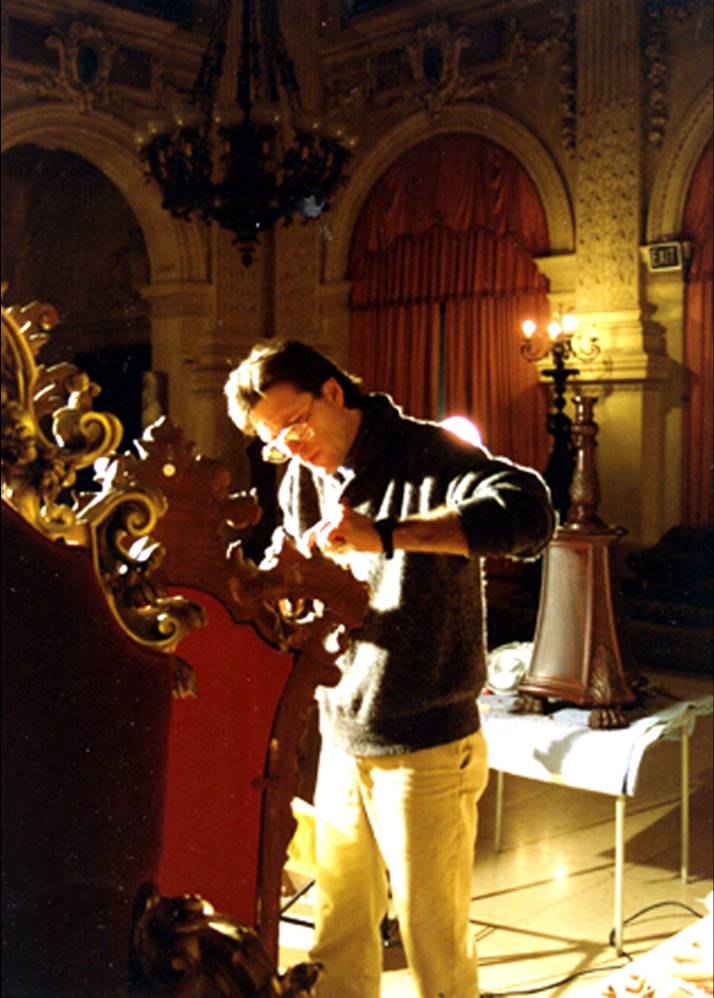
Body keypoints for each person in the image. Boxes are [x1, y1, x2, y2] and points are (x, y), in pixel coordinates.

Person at [224, 340, 555, 998]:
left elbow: (529, 515)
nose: (290, 447)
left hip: (425, 741)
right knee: (339, 933)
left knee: (434, 944)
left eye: (295, 424)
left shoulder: (428, 454)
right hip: (342, 731)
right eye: (272, 440)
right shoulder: (300, 478)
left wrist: (385, 534)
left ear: (333, 393)